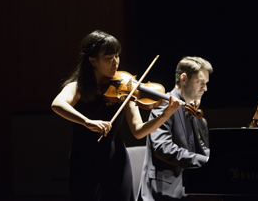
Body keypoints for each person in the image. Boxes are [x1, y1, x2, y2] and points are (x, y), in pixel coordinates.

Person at [51, 30, 181, 201]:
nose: (116, 62)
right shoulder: (77, 87)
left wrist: (165, 115)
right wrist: (87, 121)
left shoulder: (125, 88)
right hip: (84, 162)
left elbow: (139, 131)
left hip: (116, 161)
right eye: (109, 58)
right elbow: (57, 104)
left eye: (117, 56)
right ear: (92, 60)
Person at [137, 56, 213, 201]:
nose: (205, 88)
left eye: (206, 83)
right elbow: (163, 148)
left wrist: (215, 159)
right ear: (184, 78)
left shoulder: (190, 108)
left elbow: (200, 146)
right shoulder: (164, 105)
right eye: (200, 82)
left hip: (188, 185)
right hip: (164, 191)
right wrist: (205, 160)